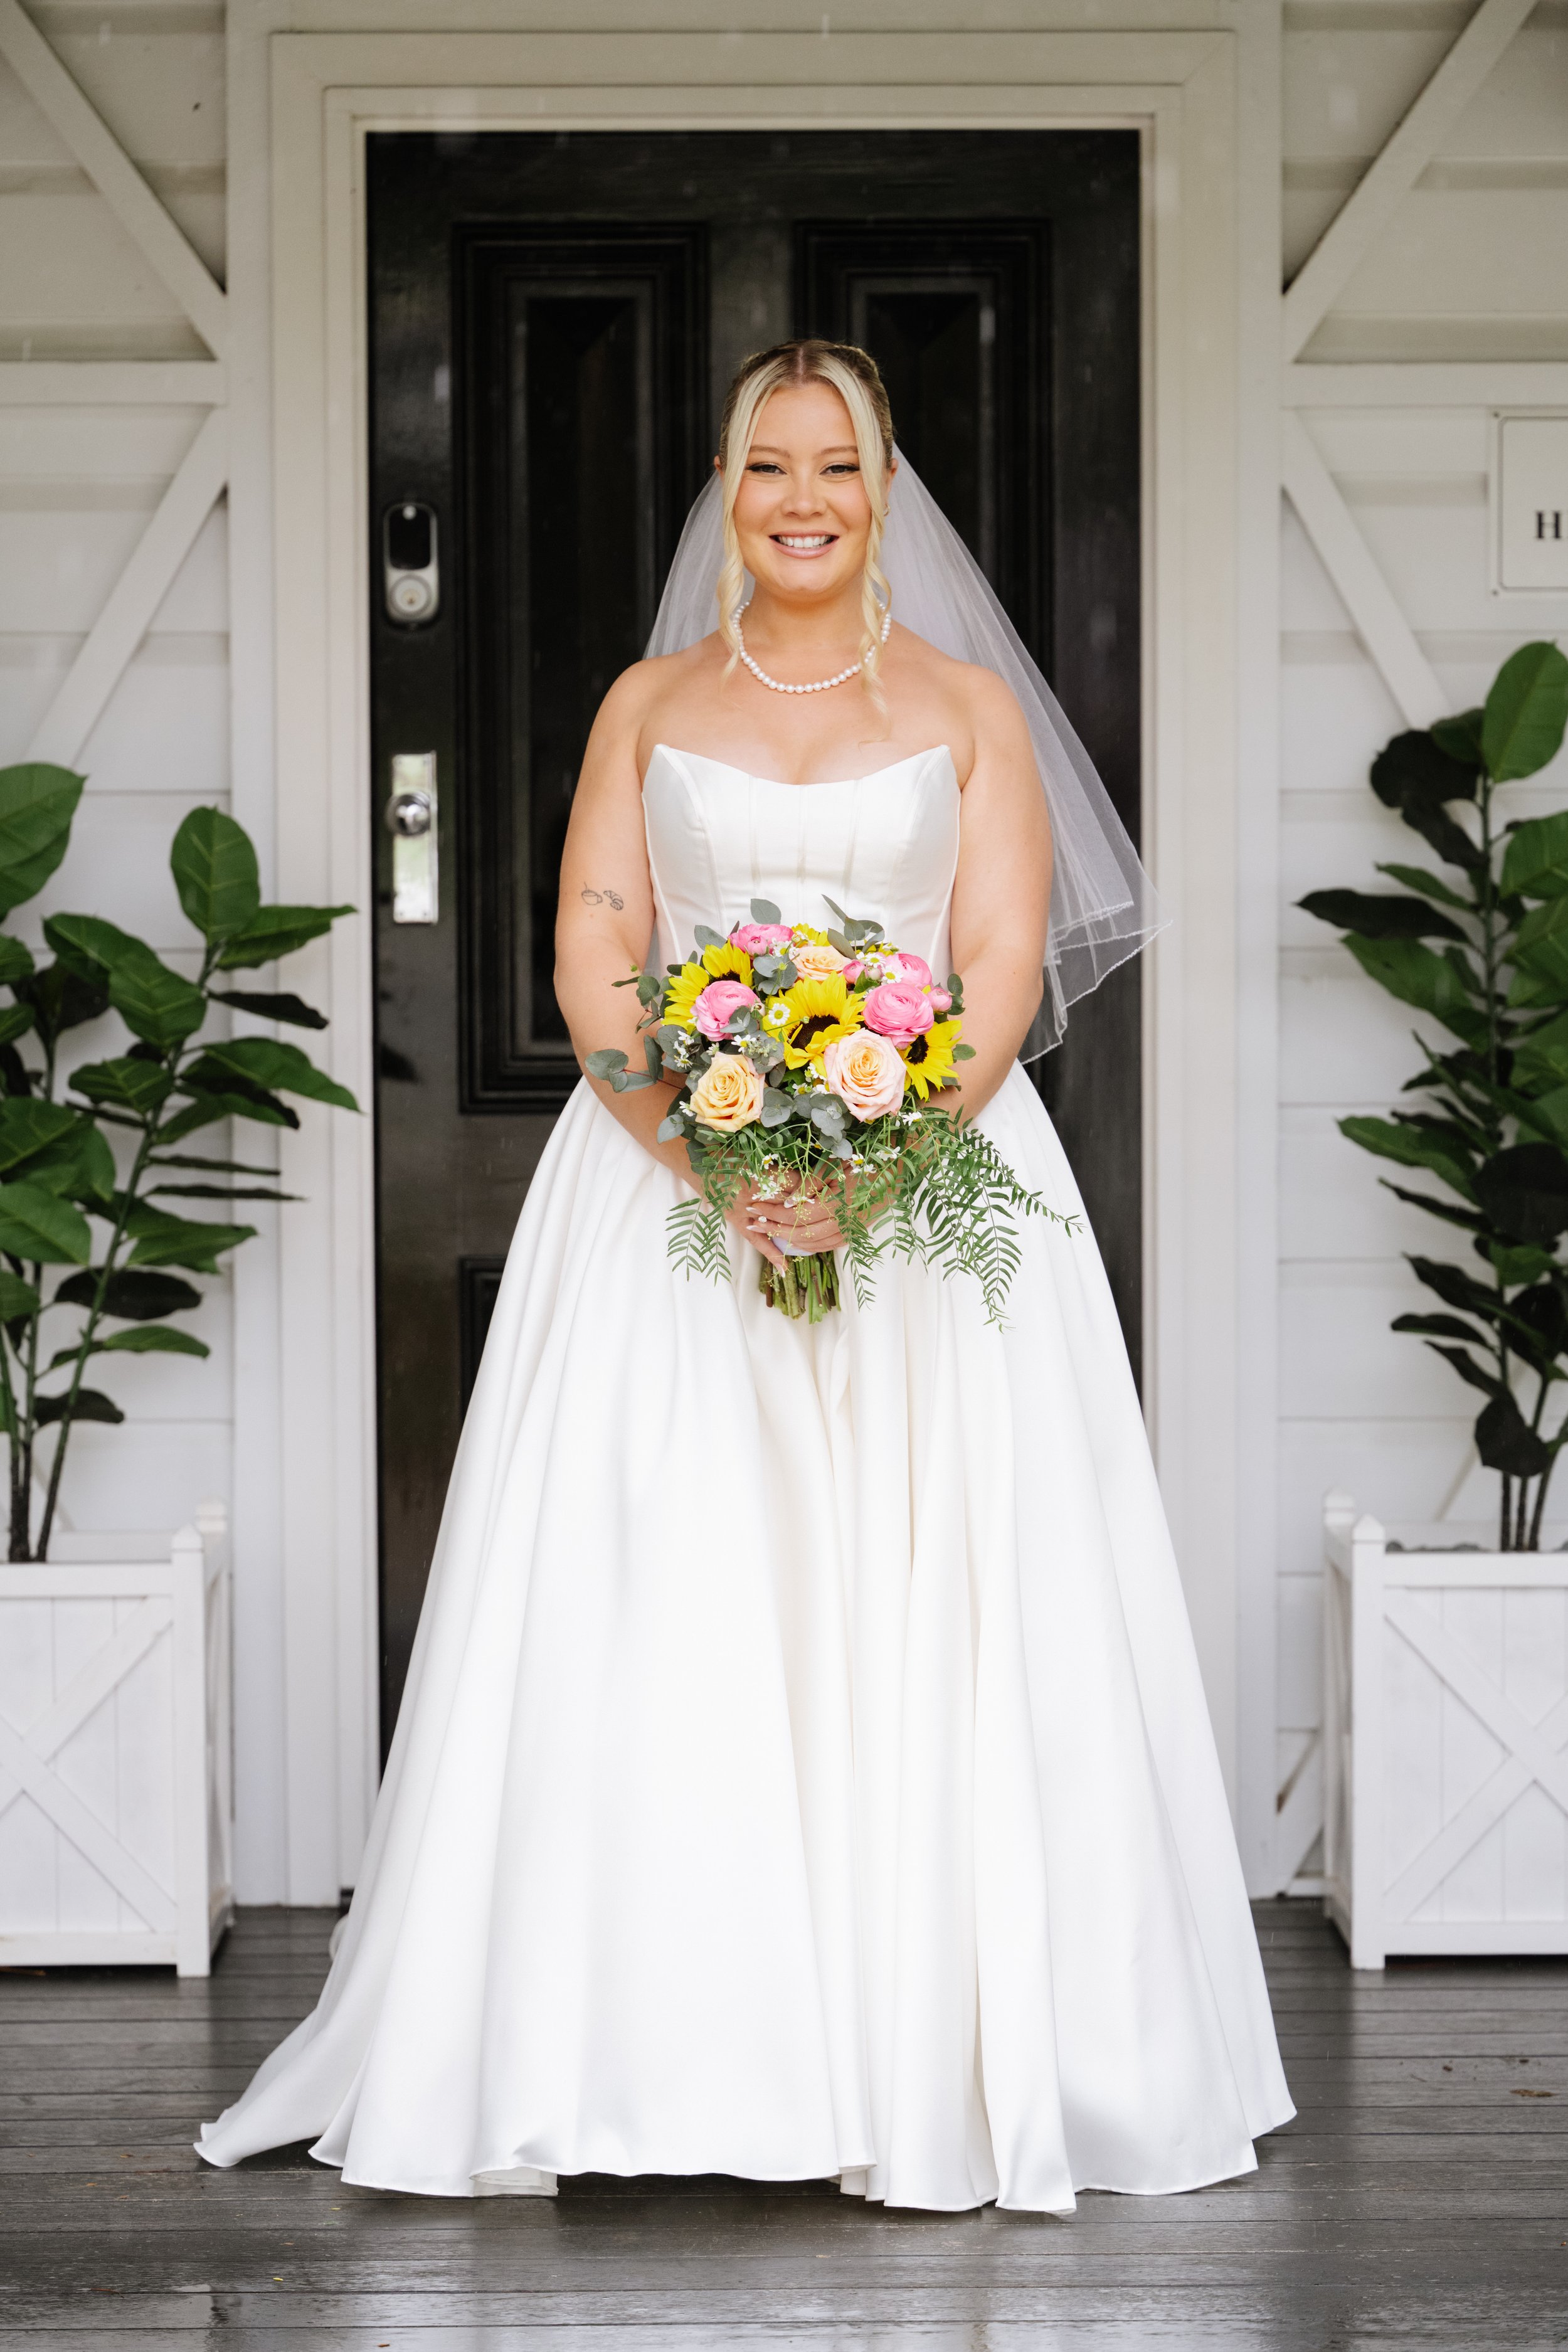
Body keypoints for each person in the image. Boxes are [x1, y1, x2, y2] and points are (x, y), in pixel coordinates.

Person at [198, 339, 1292, 2213]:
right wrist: (711, 1147)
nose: (801, 500)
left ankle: (938, 2052)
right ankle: (661, 2057)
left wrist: (871, 1162)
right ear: (726, 484)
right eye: (769, 467)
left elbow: (1002, 965)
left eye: (837, 468)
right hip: (664, 1196)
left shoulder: (964, 707)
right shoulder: (648, 698)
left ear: (883, 494)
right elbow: (598, 950)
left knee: (938, 1594)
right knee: (668, 1587)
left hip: (929, 1196)